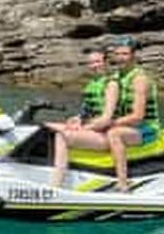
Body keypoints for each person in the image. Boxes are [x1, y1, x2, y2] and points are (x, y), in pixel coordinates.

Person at [48, 49, 119, 188]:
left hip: (106, 135)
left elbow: (106, 119)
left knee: (61, 136)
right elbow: (88, 112)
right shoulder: (92, 84)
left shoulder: (111, 84)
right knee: (45, 126)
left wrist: (82, 127)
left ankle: (56, 185)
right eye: (91, 63)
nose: (94, 65)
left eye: (97, 61)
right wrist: (77, 119)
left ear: (105, 63)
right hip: (92, 130)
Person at [106, 36, 161, 191]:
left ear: (134, 56)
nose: (120, 58)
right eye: (117, 54)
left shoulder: (139, 79)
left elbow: (137, 117)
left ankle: (123, 183)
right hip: (127, 126)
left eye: (125, 54)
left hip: (146, 129)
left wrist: (109, 123)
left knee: (114, 134)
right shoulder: (116, 78)